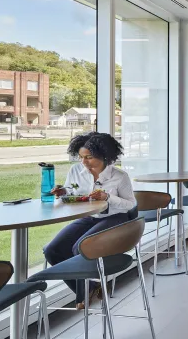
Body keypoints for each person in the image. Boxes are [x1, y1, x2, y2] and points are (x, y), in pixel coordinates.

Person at [44, 132, 136, 310]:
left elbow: (131, 205)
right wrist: (64, 192)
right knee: (52, 250)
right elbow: (72, 190)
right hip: (88, 218)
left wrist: (107, 197)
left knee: (80, 247)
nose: (84, 162)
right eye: (81, 157)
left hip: (114, 218)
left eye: (89, 157)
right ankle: (91, 288)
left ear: (104, 156)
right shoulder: (76, 171)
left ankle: (83, 294)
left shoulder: (119, 177)